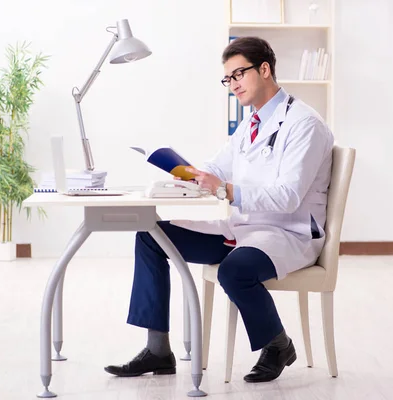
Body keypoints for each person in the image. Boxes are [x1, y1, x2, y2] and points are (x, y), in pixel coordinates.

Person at [104, 36, 334, 383]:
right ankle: (158, 350)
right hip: (243, 227)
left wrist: (225, 189)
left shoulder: (305, 124)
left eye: (238, 74)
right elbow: (219, 169)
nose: (233, 85)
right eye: (228, 78)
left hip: (289, 233)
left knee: (234, 269)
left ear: (265, 69)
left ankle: (278, 343)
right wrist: (189, 177)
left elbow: (288, 197)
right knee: (152, 236)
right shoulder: (250, 125)